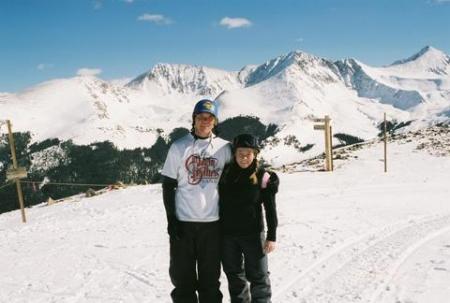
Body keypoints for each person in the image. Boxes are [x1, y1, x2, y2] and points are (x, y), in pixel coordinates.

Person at [161, 99, 232, 303]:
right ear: (193, 119)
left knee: (210, 283)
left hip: (212, 226)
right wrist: (171, 219)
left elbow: (239, 177)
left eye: (209, 118)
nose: (204, 122)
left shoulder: (224, 148)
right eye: (201, 117)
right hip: (183, 225)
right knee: (183, 282)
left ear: (215, 122)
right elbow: (167, 185)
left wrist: (266, 178)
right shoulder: (179, 146)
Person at [219, 134, 279, 303]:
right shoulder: (225, 174)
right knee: (235, 277)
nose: (244, 158)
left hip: (253, 234)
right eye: (240, 153)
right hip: (228, 235)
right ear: (234, 154)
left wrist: (271, 236)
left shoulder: (263, 177)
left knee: (259, 276)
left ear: (255, 154)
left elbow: (270, 209)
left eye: (248, 153)